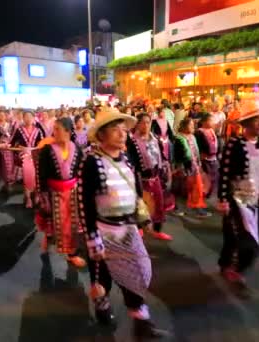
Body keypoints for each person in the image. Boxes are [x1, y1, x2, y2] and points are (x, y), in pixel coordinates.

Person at [79, 110, 166, 338]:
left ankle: (141, 323)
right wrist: (92, 238)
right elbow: (85, 203)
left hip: (127, 230)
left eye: (124, 129)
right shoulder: (92, 162)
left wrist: (142, 216)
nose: (122, 134)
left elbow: (134, 191)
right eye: (115, 129)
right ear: (102, 135)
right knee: (103, 280)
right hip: (103, 232)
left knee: (138, 272)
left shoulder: (126, 159)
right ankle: (103, 308)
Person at [217, 103, 259, 294]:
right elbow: (225, 173)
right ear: (246, 124)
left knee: (236, 237)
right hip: (236, 200)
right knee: (243, 240)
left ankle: (226, 264)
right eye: (257, 120)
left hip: (255, 200)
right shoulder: (234, 144)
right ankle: (235, 269)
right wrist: (223, 199)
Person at [37, 118, 86, 268]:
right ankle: (48, 236)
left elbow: (80, 171)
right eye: (54, 128)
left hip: (72, 193)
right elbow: (42, 175)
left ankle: (72, 254)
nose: (54, 132)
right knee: (52, 222)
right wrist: (43, 196)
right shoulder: (47, 150)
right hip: (53, 194)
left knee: (73, 225)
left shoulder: (77, 149)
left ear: (68, 132)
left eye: (58, 129)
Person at [127, 113, 172, 241]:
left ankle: (157, 230)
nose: (146, 125)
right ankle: (140, 228)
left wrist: (166, 171)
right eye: (143, 122)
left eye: (148, 122)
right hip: (141, 180)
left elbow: (162, 157)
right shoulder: (132, 142)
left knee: (159, 204)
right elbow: (131, 162)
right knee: (141, 206)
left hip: (155, 178)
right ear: (137, 124)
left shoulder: (155, 139)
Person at [174, 118, 210, 217]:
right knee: (182, 189)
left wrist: (199, 164)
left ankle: (196, 208)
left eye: (193, 125)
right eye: (190, 125)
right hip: (184, 168)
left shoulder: (192, 137)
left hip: (194, 167)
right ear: (184, 126)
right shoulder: (179, 138)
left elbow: (196, 152)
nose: (193, 127)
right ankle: (178, 208)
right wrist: (179, 168)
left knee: (196, 188)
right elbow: (176, 156)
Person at [11, 110, 43, 208]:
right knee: (27, 173)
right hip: (24, 155)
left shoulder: (38, 130)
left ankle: (37, 193)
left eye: (30, 117)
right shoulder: (19, 130)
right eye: (26, 117)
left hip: (35, 154)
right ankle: (28, 197)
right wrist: (19, 149)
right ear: (23, 118)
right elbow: (12, 143)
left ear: (34, 118)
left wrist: (37, 149)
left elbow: (42, 143)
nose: (28, 119)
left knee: (38, 175)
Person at [195, 113, 219, 198]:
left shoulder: (211, 130)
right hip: (204, 159)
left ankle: (208, 192)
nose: (213, 122)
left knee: (213, 176)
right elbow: (198, 147)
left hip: (213, 158)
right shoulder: (199, 132)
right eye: (211, 120)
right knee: (206, 177)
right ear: (204, 122)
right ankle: (203, 193)